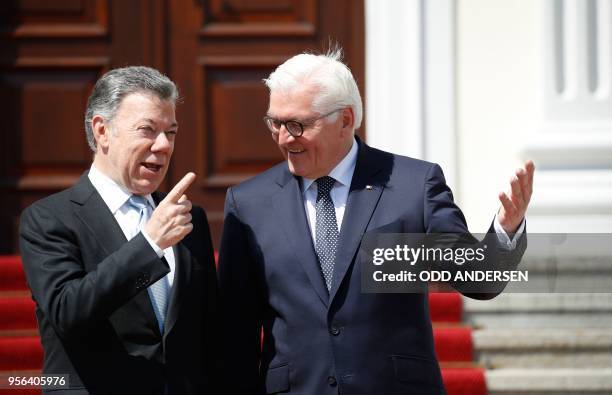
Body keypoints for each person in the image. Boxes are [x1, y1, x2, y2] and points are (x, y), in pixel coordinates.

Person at [218, 49, 535, 394]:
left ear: (346, 119)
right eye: (275, 123)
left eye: (298, 124)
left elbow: (475, 279)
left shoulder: (414, 185)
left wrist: (505, 231)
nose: (283, 137)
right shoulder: (248, 203)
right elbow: (235, 332)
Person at [19, 66, 218, 394]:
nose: (164, 145)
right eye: (147, 130)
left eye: (171, 132)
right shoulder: (48, 220)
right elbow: (68, 312)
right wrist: (149, 243)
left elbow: (209, 333)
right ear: (102, 131)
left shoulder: (186, 219)